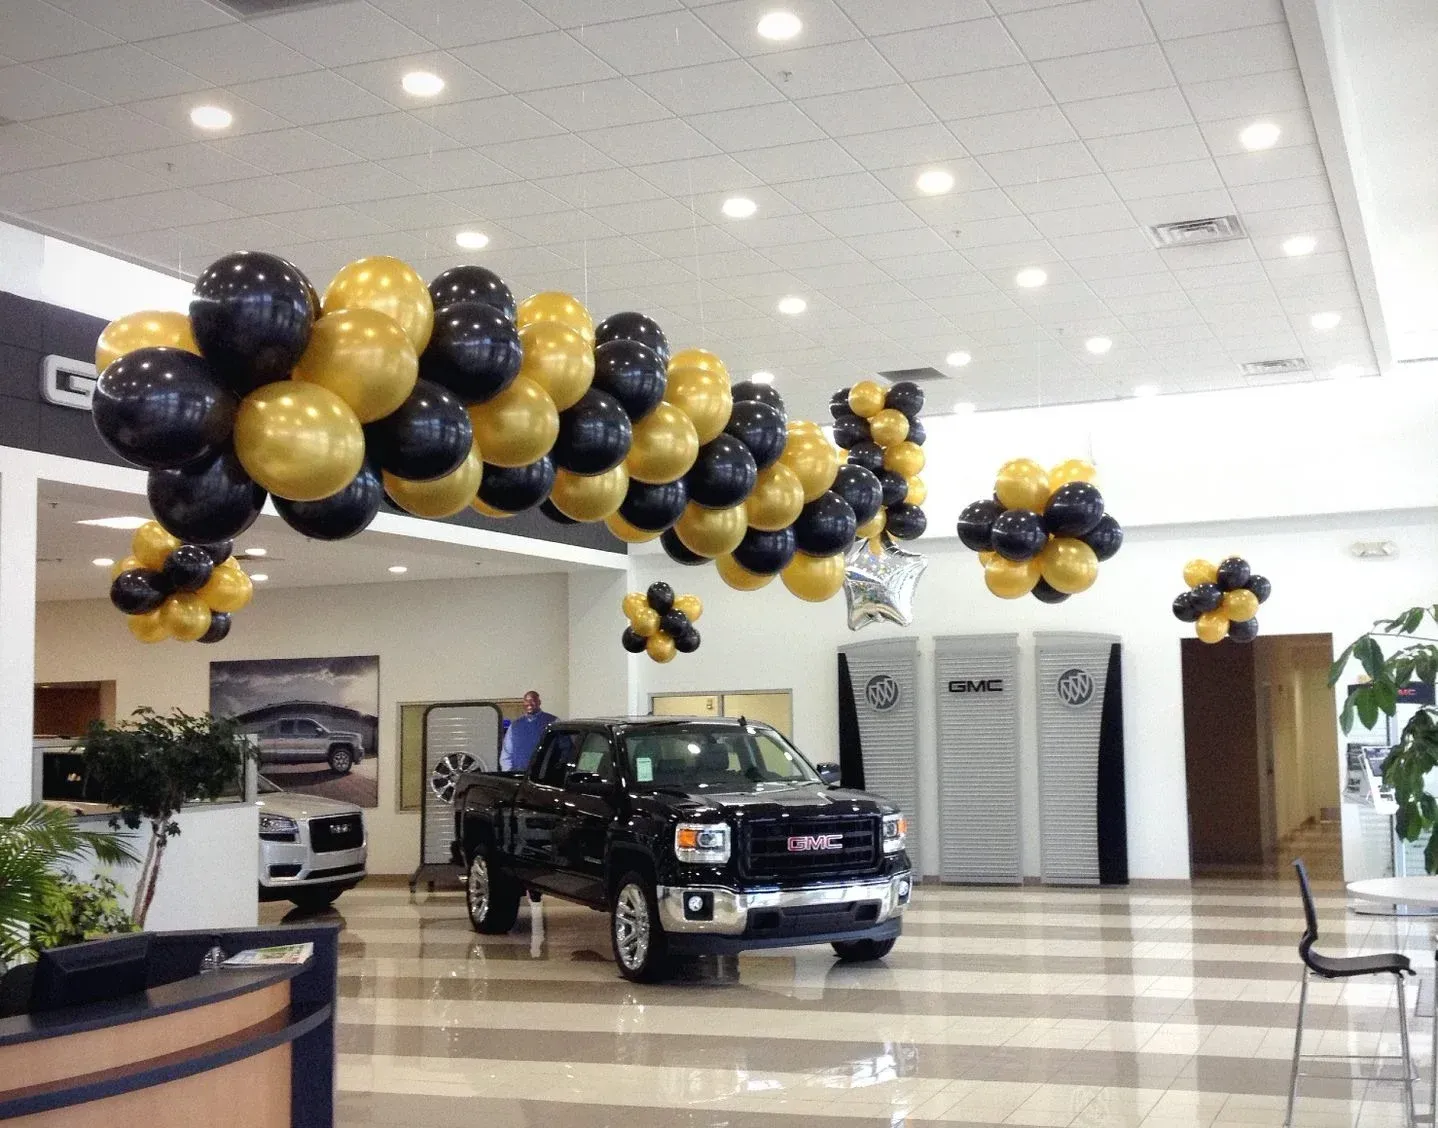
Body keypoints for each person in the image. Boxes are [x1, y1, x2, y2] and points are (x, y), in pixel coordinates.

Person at [499, 690, 557, 772]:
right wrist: (508, 772)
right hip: (519, 774)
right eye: (526, 701)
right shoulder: (515, 725)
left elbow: (564, 749)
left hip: (544, 775)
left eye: (532, 700)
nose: (529, 703)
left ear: (539, 702)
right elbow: (507, 753)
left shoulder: (553, 721)